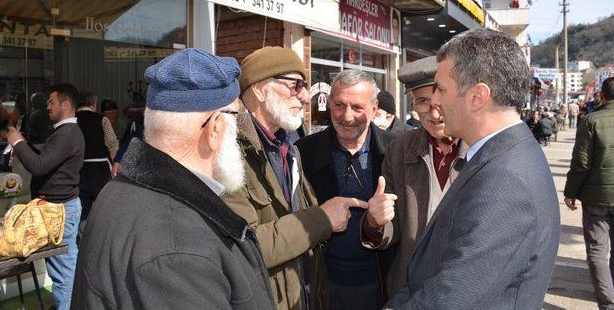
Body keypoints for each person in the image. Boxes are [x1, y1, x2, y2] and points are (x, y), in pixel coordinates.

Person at [72, 49, 275, 309]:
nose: (240, 131)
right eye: (236, 117)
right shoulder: (180, 250)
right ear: (215, 128)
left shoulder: (119, 189)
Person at [384, 29, 560, 309]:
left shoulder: (505, 178)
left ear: (477, 96)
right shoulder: (503, 154)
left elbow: (451, 297)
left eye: (441, 89)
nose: (435, 104)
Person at [222, 46, 365, 310]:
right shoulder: (227, 154)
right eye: (295, 85)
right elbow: (244, 247)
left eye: (305, 86)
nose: (305, 97)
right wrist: (323, 218)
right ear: (260, 89)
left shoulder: (289, 149)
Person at [361, 56, 467, 297]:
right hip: (410, 289)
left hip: (462, 289)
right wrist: (374, 223)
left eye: (440, 100)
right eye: (422, 102)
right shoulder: (400, 149)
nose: (433, 112)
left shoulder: (480, 148)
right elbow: (393, 227)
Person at [296, 70, 396, 310]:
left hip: (382, 286)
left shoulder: (396, 150)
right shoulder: (303, 152)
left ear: (374, 109)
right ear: (329, 104)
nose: (347, 116)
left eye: (357, 108)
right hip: (322, 286)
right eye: (339, 105)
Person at [4, 83, 84, 310]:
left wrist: (18, 142)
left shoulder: (67, 133)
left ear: (65, 104)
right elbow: (47, 162)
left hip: (60, 210)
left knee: (63, 272)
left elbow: (39, 166)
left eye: (51, 102)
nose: (47, 106)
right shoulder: (65, 133)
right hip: (58, 208)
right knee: (62, 269)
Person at [563, 77, 614, 310]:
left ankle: (607, 302)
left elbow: (581, 161)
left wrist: (571, 191)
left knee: (596, 250)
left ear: (601, 96)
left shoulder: (591, 121)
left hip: (596, 196)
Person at [76, 91, 119, 238]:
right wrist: (115, 163)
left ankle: (84, 241)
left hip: (79, 171)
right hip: (101, 171)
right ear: (93, 104)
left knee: (83, 212)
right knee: (104, 208)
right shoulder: (102, 120)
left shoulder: (71, 120)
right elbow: (112, 144)